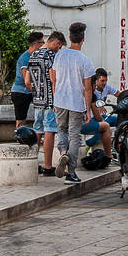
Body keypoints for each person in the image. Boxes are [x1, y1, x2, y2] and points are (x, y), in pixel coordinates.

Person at [51, 22, 99, 184]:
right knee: (74, 136)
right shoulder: (86, 61)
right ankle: (71, 172)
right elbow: (88, 89)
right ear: (83, 39)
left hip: (60, 101)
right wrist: (88, 110)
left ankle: (63, 152)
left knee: (61, 131)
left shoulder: (59, 55)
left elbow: (54, 79)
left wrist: (54, 99)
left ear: (70, 38)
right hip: (76, 103)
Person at [29, 31, 63, 176]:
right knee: (50, 131)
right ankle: (48, 166)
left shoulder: (33, 55)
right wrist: (56, 97)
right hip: (49, 100)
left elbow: (27, 80)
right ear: (55, 42)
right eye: (59, 46)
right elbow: (53, 78)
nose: (59, 49)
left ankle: (32, 163)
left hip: (37, 100)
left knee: (37, 130)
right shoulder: (50, 55)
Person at [11, 31, 44, 134]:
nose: (43, 45)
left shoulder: (36, 56)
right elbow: (27, 80)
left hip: (29, 91)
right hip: (21, 92)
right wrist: (37, 93)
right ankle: (20, 138)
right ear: (36, 44)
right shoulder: (25, 58)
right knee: (21, 119)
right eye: (42, 42)